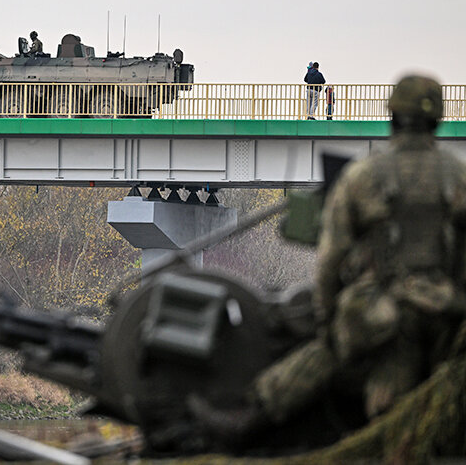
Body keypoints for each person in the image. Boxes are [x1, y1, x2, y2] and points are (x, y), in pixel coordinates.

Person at [193, 74, 466, 441]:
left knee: (330, 347)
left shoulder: (364, 176)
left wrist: (327, 318)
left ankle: (250, 417)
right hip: (446, 313)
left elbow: (330, 260)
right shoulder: (459, 176)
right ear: (436, 121)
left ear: (394, 117)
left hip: (381, 312)